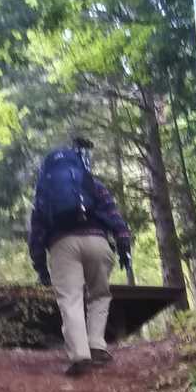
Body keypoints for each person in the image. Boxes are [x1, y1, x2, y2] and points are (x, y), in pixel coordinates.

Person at [28, 137, 132, 376]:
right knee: (99, 295)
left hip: (62, 246)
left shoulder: (44, 193)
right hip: (97, 242)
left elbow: (37, 233)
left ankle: (80, 355)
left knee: (71, 300)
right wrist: (124, 244)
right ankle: (96, 345)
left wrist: (41, 267)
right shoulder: (92, 184)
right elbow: (114, 215)